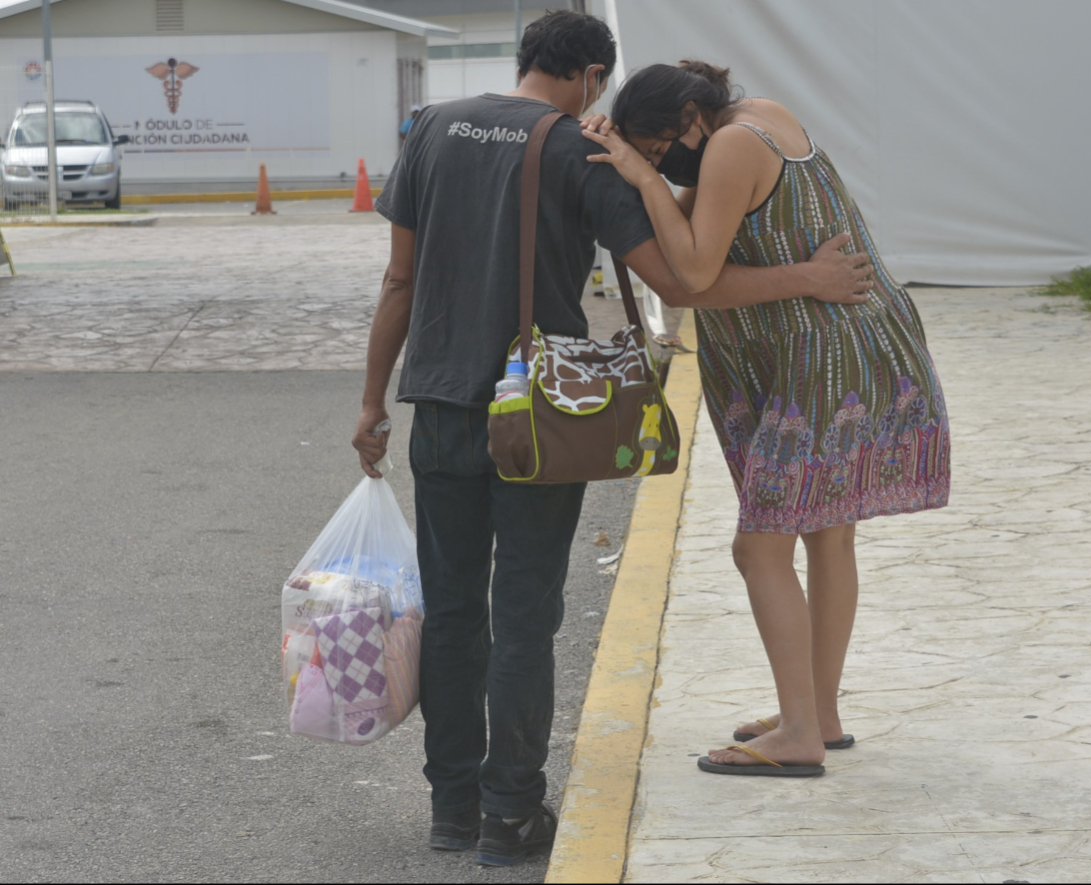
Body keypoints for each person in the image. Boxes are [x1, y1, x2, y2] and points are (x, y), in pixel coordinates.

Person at [351, 13, 874, 866]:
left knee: (450, 612)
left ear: (525, 61)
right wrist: (806, 278)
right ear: (591, 75)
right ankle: (509, 815)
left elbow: (399, 279)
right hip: (540, 416)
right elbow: (682, 281)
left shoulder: (432, 129)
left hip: (438, 405)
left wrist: (371, 401)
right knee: (522, 612)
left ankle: (450, 809)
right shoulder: (575, 150)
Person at [583, 61, 951, 777]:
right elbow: (707, 232)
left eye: (663, 146)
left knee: (760, 548)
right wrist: (648, 167)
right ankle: (817, 711)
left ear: (692, 116)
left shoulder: (730, 145)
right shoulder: (761, 115)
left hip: (821, 357)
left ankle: (798, 735)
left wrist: (644, 178)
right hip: (852, 343)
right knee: (826, 533)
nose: (663, 161)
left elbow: (690, 271)